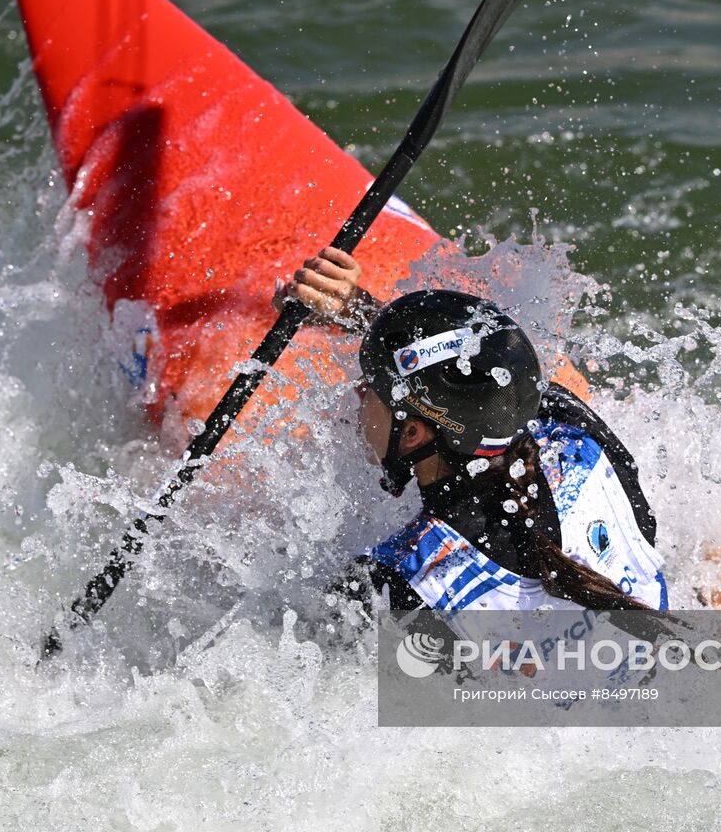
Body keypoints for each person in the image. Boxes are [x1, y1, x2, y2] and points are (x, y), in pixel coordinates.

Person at [273, 248, 669, 632]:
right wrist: (362, 312)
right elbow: (496, 379)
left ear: (411, 434)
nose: (357, 394)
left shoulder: (395, 583)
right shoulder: (572, 432)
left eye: (370, 388)